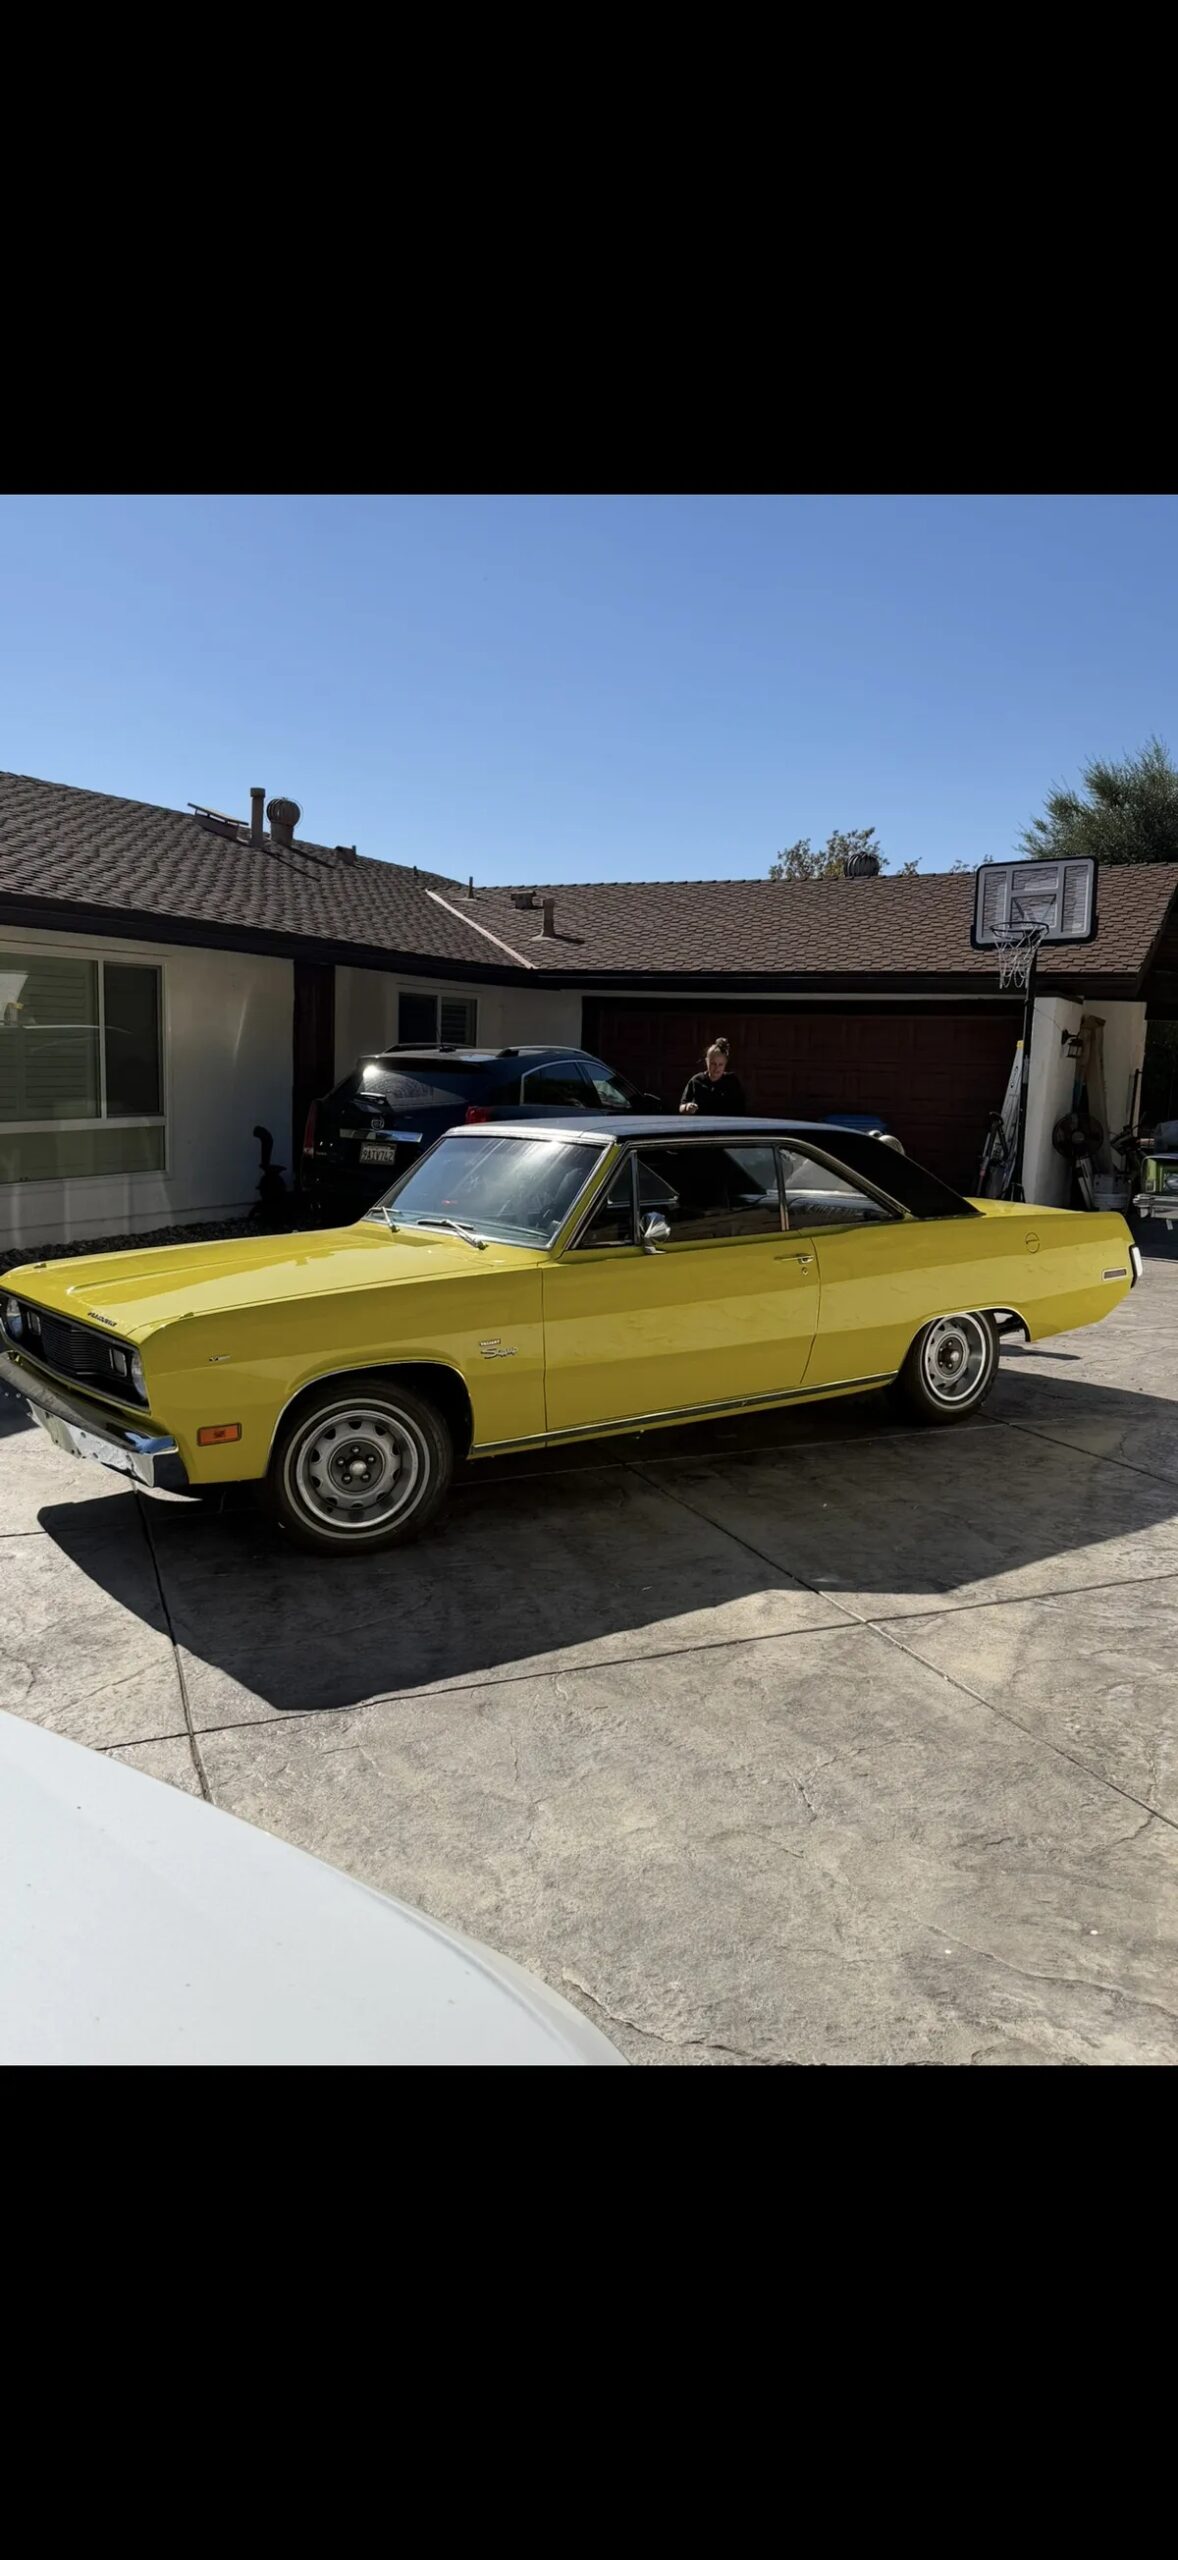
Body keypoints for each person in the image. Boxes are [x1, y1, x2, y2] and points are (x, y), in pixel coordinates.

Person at [679, 1037, 746, 1115]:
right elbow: (681, 1107)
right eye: (713, 1064)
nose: (717, 1068)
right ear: (707, 1061)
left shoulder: (732, 1081)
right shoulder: (696, 1081)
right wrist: (687, 1107)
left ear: (725, 1064)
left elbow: (741, 1107)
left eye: (720, 1064)